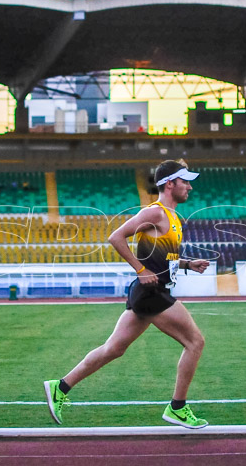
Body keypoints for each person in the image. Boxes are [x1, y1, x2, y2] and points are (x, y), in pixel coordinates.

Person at [44, 160, 211, 429]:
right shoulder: (155, 213)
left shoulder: (173, 218)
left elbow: (165, 257)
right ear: (170, 184)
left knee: (114, 349)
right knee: (195, 342)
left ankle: (60, 387)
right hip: (152, 292)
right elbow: (116, 237)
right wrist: (141, 269)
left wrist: (187, 264)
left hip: (147, 292)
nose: (190, 187)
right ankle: (177, 408)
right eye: (185, 182)